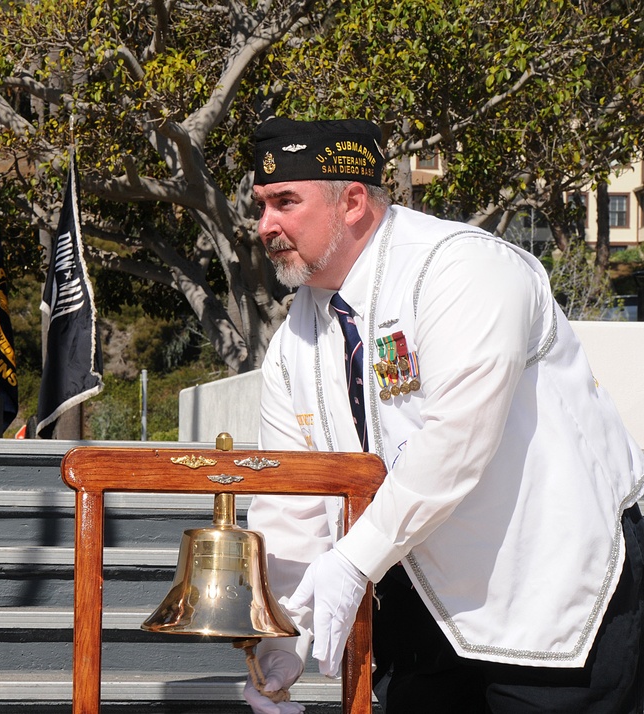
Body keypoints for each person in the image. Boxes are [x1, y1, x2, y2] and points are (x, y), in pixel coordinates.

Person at [241, 117, 644, 714]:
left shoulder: (465, 268)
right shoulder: (293, 338)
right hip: (420, 611)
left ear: (353, 201)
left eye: (284, 202)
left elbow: (457, 441)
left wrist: (352, 561)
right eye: (262, 205)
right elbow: (293, 495)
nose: (265, 225)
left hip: (550, 590)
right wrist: (282, 633)